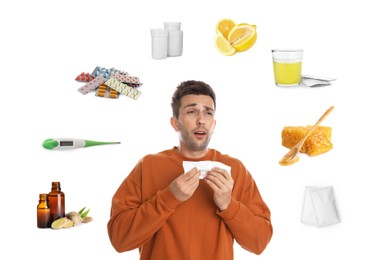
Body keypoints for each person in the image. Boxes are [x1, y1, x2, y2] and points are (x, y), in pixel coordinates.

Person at [107, 80, 273, 259]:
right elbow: (119, 239)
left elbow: (259, 242)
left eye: (208, 113)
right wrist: (169, 197)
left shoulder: (235, 170)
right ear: (175, 123)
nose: (201, 120)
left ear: (214, 123)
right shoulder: (148, 166)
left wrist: (228, 204)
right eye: (191, 111)